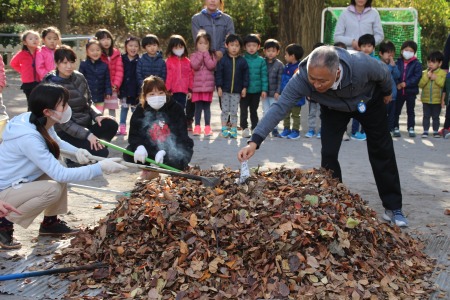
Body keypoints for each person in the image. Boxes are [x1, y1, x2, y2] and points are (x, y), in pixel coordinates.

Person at [238, 46, 409, 227]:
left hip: (367, 102)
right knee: (328, 153)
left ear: (337, 72)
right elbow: (280, 107)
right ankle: (336, 202)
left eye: (322, 81)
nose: (316, 85)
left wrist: (388, 92)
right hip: (333, 108)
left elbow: (383, 74)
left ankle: (393, 207)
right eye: (313, 79)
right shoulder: (303, 78)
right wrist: (254, 141)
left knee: (382, 149)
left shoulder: (361, 64)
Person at [0, 83, 127, 249]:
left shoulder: (41, 121)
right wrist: (100, 167)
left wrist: (78, 152)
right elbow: (61, 175)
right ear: (48, 111)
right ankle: (4, 224)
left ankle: (50, 224)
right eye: (63, 105)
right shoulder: (28, 137)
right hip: (5, 190)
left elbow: (57, 142)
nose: (67, 107)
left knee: (58, 161)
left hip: (21, 180)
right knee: (51, 189)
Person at [43, 46, 118, 159]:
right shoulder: (52, 86)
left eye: (72, 62)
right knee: (102, 154)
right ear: (56, 63)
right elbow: (63, 123)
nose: (69, 66)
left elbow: (89, 102)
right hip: (66, 132)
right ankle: (73, 157)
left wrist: (97, 116)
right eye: (64, 63)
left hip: (84, 126)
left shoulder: (79, 76)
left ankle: (92, 148)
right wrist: (88, 135)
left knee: (110, 124)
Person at [124, 76, 194, 179]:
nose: (157, 97)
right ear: (145, 96)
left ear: (165, 92)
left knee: (179, 158)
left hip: (171, 150)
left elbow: (181, 136)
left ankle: (171, 170)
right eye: (152, 94)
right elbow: (134, 135)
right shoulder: (140, 110)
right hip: (150, 149)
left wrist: (165, 151)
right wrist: (139, 146)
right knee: (128, 153)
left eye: (160, 93)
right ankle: (149, 169)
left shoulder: (176, 108)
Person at [215, 34, 249, 139]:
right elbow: (219, 75)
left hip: (236, 91)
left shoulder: (242, 61)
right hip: (224, 90)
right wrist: (219, 87)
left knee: (234, 111)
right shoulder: (223, 61)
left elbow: (246, 76)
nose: (234, 48)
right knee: (225, 110)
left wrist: (244, 87)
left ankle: (234, 129)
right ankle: (224, 129)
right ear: (226, 45)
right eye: (232, 45)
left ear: (240, 47)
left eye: (237, 45)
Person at [393, 40, 422, 138]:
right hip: (399, 91)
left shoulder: (417, 63)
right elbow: (395, 74)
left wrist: (406, 83)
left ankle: (411, 128)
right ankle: (395, 127)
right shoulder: (397, 62)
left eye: (411, 51)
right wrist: (397, 84)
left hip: (411, 92)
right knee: (396, 110)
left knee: (411, 111)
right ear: (401, 51)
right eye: (406, 50)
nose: (408, 52)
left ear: (414, 52)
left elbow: (417, 76)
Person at [190, 31, 217, 137]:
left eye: (205, 43)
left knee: (206, 108)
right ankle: (197, 126)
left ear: (209, 44)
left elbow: (211, 66)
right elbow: (195, 66)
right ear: (196, 44)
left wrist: (206, 54)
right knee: (197, 108)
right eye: (200, 43)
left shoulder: (212, 55)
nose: (202, 45)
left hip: (208, 87)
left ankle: (207, 127)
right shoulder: (193, 55)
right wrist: (200, 55)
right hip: (197, 87)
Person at [241, 34, 268, 138]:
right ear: (244, 47)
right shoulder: (242, 60)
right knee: (243, 110)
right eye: (248, 45)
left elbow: (264, 76)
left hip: (256, 91)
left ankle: (255, 127)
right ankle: (244, 128)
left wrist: (264, 89)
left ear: (258, 46)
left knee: (254, 110)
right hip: (244, 91)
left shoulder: (261, 61)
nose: (251, 48)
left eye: (254, 45)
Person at [350, 33, 377, 141]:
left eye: (369, 46)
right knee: (358, 112)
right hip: (358, 91)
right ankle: (354, 132)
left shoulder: (376, 60)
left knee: (368, 113)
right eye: (364, 46)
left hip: (370, 92)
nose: (366, 48)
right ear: (359, 47)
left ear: (373, 47)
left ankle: (365, 131)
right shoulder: (355, 59)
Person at [95, 29, 124, 118]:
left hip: (113, 88)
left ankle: (113, 127)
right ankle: (99, 128)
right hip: (101, 88)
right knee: (99, 110)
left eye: (108, 39)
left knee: (112, 110)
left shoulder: (116, 54)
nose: (106, 42)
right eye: (102, 39)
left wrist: (116, 84)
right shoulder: (97, 54)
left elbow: (119, 71)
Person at [279, 43, 304, 140]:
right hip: (286, 96)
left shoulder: (299, 68)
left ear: (292, 56)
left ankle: (295, 131)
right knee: (286, 113)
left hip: (296, 97)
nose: (284, 56)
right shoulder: (286, 66)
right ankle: (286, 129)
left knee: (295, 115)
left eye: (286, 54)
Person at [10, 30, 41, 110]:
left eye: (36, 38)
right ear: (25, 42)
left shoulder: (41, 52)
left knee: (40, 102)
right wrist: (23, 71)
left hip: (40, 81)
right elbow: (13, 63)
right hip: (28, 83)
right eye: (31, 38)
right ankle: (30, 119)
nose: (34, 40)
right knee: (31, 103)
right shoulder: (21, 54)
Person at [78, 38, 112, 112]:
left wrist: (108, 91)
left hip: (100, 96)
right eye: (92, 50)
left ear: (101, 51)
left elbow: (107, 80)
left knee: (99, 114)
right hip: (87, 96)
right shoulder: (83, 64)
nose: (95, 52)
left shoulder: (104, 65)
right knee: (89, 114)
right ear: (87, 52)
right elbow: (80, 79)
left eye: (98, 50)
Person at [418, 51, 446, 138]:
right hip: (426, 99)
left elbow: (443, 84)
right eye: (429, 62)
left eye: (433, 62)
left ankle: (435, 131)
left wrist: (435, 78)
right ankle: (425, 131)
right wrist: (427, 77)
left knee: (435, 116)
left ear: (440, 63)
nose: (430, 64)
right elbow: (420, 84)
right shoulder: (424, 73)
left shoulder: (442, 73)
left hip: (437, 100)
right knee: (426, 116)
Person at [165, 35, 193, 115]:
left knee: (181, 109)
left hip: (184, 91)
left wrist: (190, 90)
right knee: (171, 110)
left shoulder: (188, 62)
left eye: (180, 47)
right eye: (176, 48)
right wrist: (168, 89)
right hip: (172, 92)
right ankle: (171, 126)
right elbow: (168, 76)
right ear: (171, 48)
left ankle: (180, 125)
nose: (178, 50)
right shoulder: (169, 61)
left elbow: (190, 76)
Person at [119, 36, 140, 136]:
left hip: (135, 90)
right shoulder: (121, 59)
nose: (133, 48)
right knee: (124, 109)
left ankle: (135, 128)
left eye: (136, 46)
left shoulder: (140, 60)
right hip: (124, 89)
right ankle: (122, 127)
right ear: (126, 47)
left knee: (135, 110)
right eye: (130, 45)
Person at [378, 40, 401, 135]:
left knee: (392, 115)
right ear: (380, 53)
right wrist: (391, 67)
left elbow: (397, 75)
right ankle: (381, 130)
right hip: (383, 97)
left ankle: (390, 130)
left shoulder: (393, 65)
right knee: (381, 114)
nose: (390, 56)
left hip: (393, 96)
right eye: (388, 53)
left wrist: (394, 66)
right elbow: (384, 74)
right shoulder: (378, 63)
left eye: (392, 54)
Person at [262, 39, 284, 138]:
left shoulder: (279, 64)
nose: (271, 53)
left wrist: (278, 92)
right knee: (265, 111)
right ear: (264, 51)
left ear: (277, 52)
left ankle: (275, 129)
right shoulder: (262, 62)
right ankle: (265, 129)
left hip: (274, 93)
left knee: (274, 111)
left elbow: (280, 80)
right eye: (268, 51)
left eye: (273, 51)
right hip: (264, 93)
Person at [305, 42, 324, 139]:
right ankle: (311, 129)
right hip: (312, 94)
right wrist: (308, 92)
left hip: (323, 94)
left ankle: (322, 129)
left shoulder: (327, 65)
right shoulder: (309, 64)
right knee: (312, 113)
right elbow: (307, 80)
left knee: (322, 113)